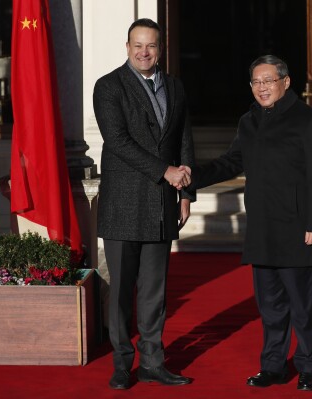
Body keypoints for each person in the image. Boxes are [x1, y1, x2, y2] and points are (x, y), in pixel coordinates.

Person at [191, 55, 312, 391]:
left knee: (305, 306)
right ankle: (273, 366)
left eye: (268, 80)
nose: (262, 87)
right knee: (270, 307)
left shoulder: (310, 121)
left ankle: (309, 366)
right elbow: (230, 163)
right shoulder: (249, 122)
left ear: (285, 81)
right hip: (262, 228)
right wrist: (191, 177)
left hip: (300, 228)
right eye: (256, 81)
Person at [93, 18, 195, 390]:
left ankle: (153, 362)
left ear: (160, 49)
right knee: (121, 292)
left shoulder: (175, 86)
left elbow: (183, 137)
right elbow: (117, 141)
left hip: (162, 205)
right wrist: (165, 172)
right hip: (123, 204)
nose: (144, 52)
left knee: (154, 292)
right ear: (127, 46)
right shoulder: (108, 86)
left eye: (151, 45)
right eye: (138, 45)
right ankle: (122, 365)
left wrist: (185, 191)